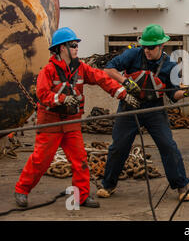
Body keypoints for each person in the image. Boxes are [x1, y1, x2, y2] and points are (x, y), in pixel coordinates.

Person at [14, 27, 138, 208]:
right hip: (51, 123)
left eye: (77, 45)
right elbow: (42, 94)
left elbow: (102, 78)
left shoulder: (80, 68)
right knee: (41, 160)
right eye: (73, 45)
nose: (76, 48)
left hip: (72, 123)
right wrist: (63, 98)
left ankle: (81, 197)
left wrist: (122, 93)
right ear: (61, 48)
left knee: (80, 160)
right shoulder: (48, 71)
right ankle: (22, 190)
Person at [97, 24, 189, 201]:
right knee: (118, 146)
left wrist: (187, 93)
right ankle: (109, 185)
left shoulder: (170, 66)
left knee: (168, 145)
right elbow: (108, 69)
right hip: (130, 106)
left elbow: (173, 95)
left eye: (151, 47)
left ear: (161, 46)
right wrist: (125, 81)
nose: (147, 50)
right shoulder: (133, 54)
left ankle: (181, 186)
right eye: (144, 46)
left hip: (154, 110)